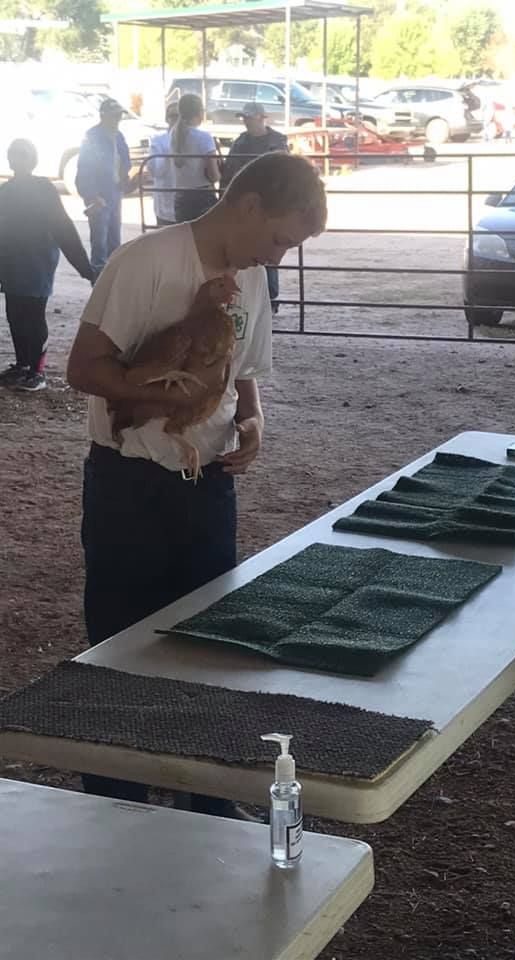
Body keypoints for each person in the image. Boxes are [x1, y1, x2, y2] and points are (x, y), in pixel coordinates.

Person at [66, 152, 327, 814]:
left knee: (210, 644)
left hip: (205, 483)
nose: (278, 256)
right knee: (121, 644)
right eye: (277, 238)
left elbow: (242, 366)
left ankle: (205, 795)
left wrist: (252, 416)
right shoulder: (145, 262)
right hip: (130, 480)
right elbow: (83, 368)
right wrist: (159, 399)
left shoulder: (253, 276)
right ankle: (114, 795)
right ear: (248, 206)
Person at [0, 139, 94, 392]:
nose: (17, 159)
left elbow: (64, 230)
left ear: (32, 160)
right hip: (11, 264)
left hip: (36, 263)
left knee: (32, 315)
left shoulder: (44, 189)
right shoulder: (5, 192)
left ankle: (36, 371)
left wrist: (85, 269)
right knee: (14, 315)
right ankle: (21, 365)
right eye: (13, 155)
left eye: (22, 154)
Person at [221, 103, 289, 314]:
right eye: (244, 118)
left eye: (249, 118)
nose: (246, 121)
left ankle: (270, 298)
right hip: (245, 206)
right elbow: (228, 172)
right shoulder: (241, 142)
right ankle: (250, 297)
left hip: (270, 204)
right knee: (247, 250)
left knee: (269, 250)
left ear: (262, 117)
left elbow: (287, 173)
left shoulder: (277, 141)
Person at [76, 97, 132, 275]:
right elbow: (84, 169)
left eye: (119, 116)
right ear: (103, 116)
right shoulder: (92, 136)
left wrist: (127, 181)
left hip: (114, 192)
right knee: (100, 245)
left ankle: (111, 282)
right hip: (99, 195)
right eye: (114, 116)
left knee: (114, 243)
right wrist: (91, 196)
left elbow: (125, 162)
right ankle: (98, 284)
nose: (117, 119)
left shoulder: (119, 136)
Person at [171, 93, 220, 223]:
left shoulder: (174, 135)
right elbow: (214, 175)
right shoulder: (204, 137)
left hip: (180, 197)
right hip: (202, 197)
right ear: (199, 112)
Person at [148, 102, 180, 227]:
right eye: (173, 116)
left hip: (187, 202)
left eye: (180, 116)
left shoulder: (194, 137)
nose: (177, 119)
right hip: (165, 203)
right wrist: (170, 150)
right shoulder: (158, 141)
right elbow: (156, 171)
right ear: (167, 118)